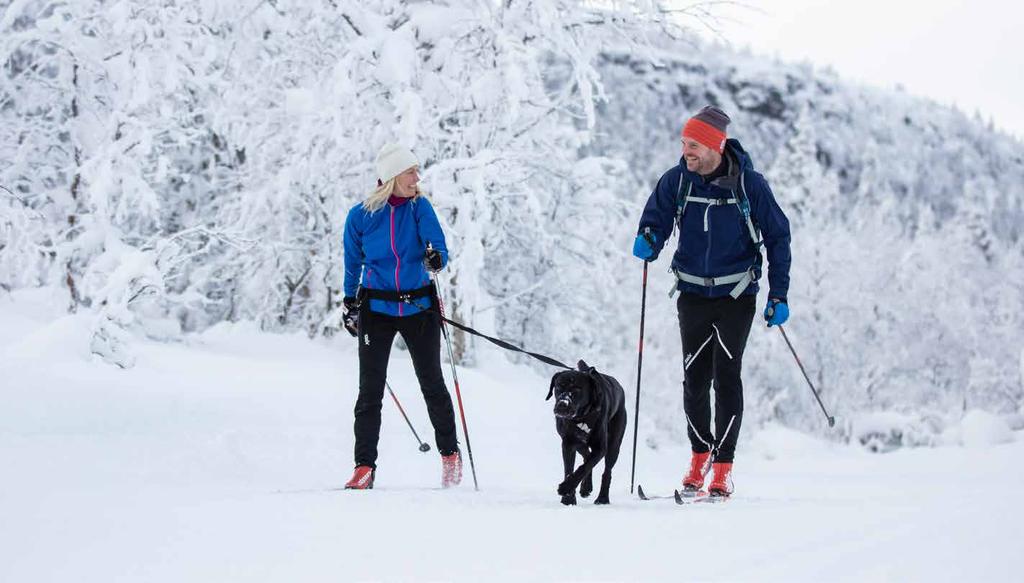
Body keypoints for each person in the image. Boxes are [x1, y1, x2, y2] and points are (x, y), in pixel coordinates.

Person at [632, 106, 792, 497]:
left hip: (736, 294)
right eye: (684, 142)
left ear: (715, 146)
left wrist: (779, 293)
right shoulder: (677, 181)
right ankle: (699, 455)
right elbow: (657, 217)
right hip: (692, 294)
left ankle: (723, 466)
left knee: (726, 376)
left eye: (694, 144)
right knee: (694, 380)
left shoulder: (749, 185)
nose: (686, 150)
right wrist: (650, 237)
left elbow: (778, 237)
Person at [341, 143, 461, 490]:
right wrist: (350, 303)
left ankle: (450, 455)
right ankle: (364, 466)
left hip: (418, 308)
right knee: (369, 391)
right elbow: (352, 263)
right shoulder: (360, 216)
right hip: (376, 308)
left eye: (416, 171)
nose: (416, 177)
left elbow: (437, 245)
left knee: (432, 384)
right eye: (410, 171)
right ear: (392, 176)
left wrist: (435, 258)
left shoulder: (419, 207)